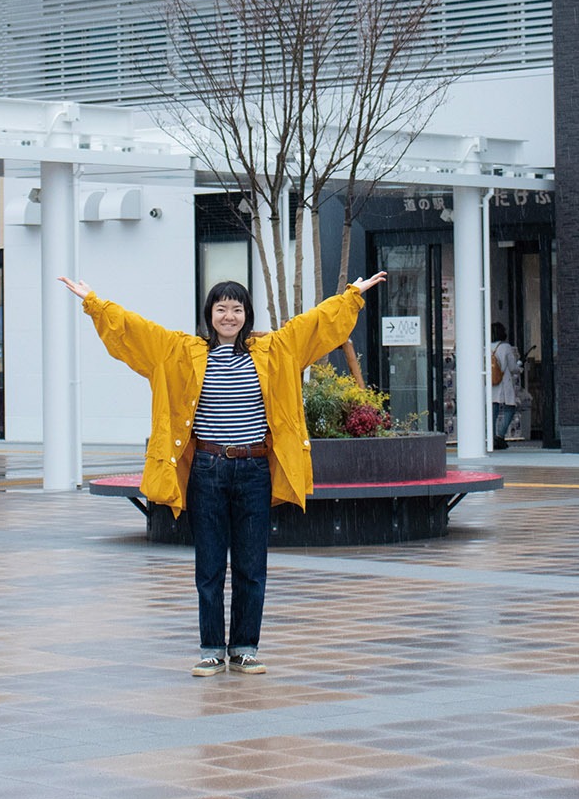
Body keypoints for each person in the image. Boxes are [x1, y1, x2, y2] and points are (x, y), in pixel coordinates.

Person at [61, 271, 386, 678]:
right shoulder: (181, 352)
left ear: (247, 314)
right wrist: (94, 302)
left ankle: (246, 647)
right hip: (207, 471)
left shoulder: (274, 351)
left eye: (236, 308)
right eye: (221, 308)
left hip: (253, 470)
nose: (229, 316)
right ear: (209, 314)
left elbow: (315, 325)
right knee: (210, 565)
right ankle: (212, 648)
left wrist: (352, 296)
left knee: (252, 564)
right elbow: (133, 331)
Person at [489, 323, 522, 449]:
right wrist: (520, 366)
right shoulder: (505, 347)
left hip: (491, 383)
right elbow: (513, 368)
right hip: (503, 381)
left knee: (493, 410)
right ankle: (500, 436)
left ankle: (491, 438)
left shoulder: (486, 346)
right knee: (510, 408)